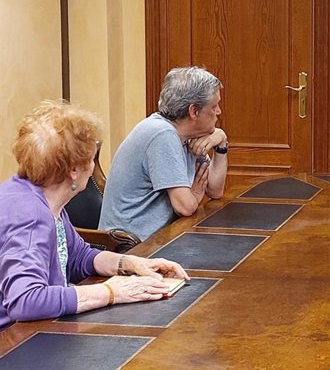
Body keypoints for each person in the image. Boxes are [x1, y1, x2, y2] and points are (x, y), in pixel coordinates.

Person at [0, 101, 189, 330]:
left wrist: (128, 263)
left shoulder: (44, 198)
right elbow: (26, 301)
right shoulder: (30, 216)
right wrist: (111, 292)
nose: (93, 166)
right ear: (73, 171)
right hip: (13, 344)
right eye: (91, 158)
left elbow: (77, 257)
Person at [99, 66, 228, 240]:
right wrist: (196, 195)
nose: (218, 111)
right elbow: (185, 207)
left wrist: (221, 142)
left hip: (158, 240)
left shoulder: (187, 135)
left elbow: (215, 190)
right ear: (194, 111)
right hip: (129, 248)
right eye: (214, 106)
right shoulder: (161, 134)